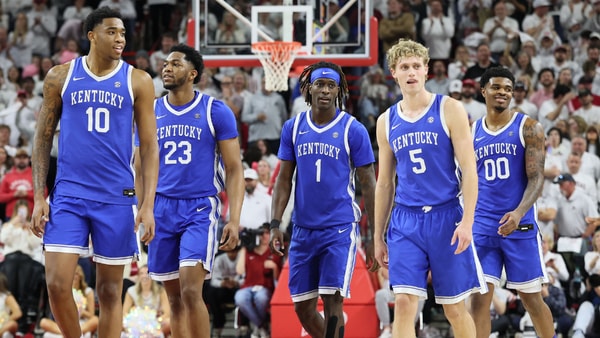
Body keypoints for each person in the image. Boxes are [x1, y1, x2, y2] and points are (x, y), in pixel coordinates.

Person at [30, 7, 159, 338]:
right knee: (58, 285)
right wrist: (39, 197)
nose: (120, 38)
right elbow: (42, 140)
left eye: (122, 33)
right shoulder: (60, 76)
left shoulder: (138, 80)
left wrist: (146, 205)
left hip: (117, 196)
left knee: (110, 292)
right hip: (69, 193)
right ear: (91, 35)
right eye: (112, 32)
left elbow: (149, 148)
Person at [373, 39, 485, 338]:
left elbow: (470, 170)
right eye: (403, 67)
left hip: (446, 217)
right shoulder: (386, 121)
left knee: (454, 308)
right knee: (405, 302)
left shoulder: (450, 108)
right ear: (394, 73)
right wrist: (377, 235)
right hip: (406, 220)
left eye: (416, 66)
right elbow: (384, 182)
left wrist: (468, 221)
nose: (410, 72)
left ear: (426, 71)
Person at [142, 43, 244, 338]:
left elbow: (235, 169)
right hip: (160, 207)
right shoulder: (151, 111)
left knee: (190, 290)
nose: (167, 67)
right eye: (165, 63)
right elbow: (140, 165)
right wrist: (142, 209)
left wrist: (234, 218)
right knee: (173, 298)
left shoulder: (215, 111)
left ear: (192, 73)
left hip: (199, 208)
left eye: (175, 63)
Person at [269, 61, 376, 338]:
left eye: (331, 85)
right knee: (302, 308)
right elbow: (283, 179)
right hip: (303, 229)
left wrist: (376, 234)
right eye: (320, 84)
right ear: (308, 88)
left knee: (333, 301)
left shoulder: (354, 129)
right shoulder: (293, 128)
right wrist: (275, 223)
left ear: (339, 90)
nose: (325, 90)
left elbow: (369, 183)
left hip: (339, 228)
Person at [468, 67, 556, 338]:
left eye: (508, 88)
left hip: (520, 226)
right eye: (496, 87)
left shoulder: (529, 127)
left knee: (531, 299)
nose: (503, 92)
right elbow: (467, 181)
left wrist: (518, 213)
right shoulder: (472, 131)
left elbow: (537, 178)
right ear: (483, 91)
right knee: (479, 301)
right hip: (484, 226)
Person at [40, 265, 99, 338]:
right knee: (44, 322)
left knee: (95, 320)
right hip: (65, 321)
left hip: (82, 322)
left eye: (76, 274)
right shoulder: (62, 291)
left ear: (80, 276)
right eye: (72, 274)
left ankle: (73, 333)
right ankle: (67, 333)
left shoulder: (88, 291)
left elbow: (91, 315)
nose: (74, 276)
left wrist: (81, 311)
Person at [122, 265, 170, 338]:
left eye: (147, 273)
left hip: (155, 322)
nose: (144, 276)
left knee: (169, 322)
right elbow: (125, 313)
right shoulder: (131, 291)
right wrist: (135, 321)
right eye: (141, 273)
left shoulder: (161, 290)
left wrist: (156, 321)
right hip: (136, 322)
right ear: (138, 276)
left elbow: (167, 312)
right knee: (120, 322)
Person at [0, 272, 21, 338]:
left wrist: (3, 321)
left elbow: (18, 313)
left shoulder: (6, 296)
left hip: (3, 323)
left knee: (13, 324)